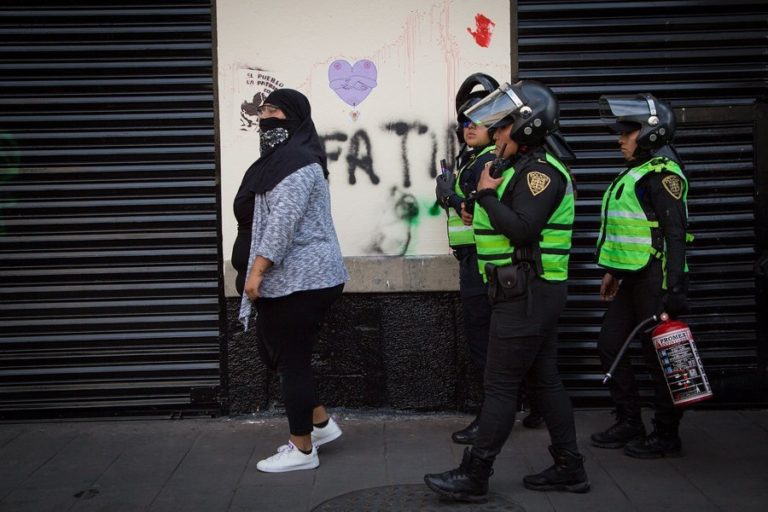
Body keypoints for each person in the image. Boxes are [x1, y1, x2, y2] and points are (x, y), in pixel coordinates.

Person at [424, 80, 589, 503]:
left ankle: (475, 474)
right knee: (546, 380)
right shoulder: (523, 169)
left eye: (503, 128)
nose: (496, 135)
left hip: (528, 294)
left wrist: (485, 193)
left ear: (527, 129)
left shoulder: (541, 173)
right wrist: (478, 200)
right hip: (529, 291)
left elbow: (522, 228)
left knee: (499, 386)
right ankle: (570, 467)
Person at [232, 88, 349, 473]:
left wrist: (257, 271)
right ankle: (321, 424)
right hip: (291, 279)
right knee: (279, 355)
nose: (264, 117)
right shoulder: (279, 161)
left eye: (273, 111)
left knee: (292, 361)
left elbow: (282, 224)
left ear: (293, 118)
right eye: (262, 110)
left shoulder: (297, 162)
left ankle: (301, 450)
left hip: (303, 279)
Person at [592, 93, 690, 458]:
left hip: (657, 282)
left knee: (660, 358)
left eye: (628, 132)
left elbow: (675, 234)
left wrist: (674, 287)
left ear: (651, 133)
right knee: (609, 345)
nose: (621, 138)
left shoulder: (664, 177)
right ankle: (629, 420)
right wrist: (613, 273)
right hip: (632, 279)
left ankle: (666, 434)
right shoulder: (636, 173)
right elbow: (633, 230)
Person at [434, 73, 498, 444]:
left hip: (482, 262)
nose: (468, 126)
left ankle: (488, 419)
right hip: (474, 260)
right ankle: (532, 407)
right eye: (464, 121)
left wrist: (450, 197)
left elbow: (474, 213)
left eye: (477, 120)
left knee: (483, 345)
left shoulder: (487, 163)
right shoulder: (472, 159)